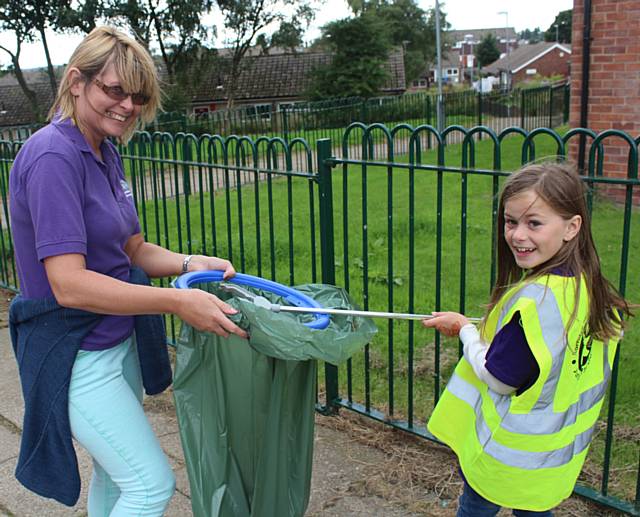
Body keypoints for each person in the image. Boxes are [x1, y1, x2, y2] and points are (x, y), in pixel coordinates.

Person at [8, 26, 247, 515]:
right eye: (114, 90)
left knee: (118, 481)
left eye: (137, 96)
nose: (127, 105)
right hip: (76, 354)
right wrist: (179, 301)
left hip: (118, 342)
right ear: (77, 82)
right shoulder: (54, 155)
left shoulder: (103, 147)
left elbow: (132, 248)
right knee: (150, 484)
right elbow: (68, 284)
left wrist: (188, 264)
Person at [422, 162, 632, 516]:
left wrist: (465, 331)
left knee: (475, 507)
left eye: (534, 223)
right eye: (510, 221)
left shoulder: (537, 302)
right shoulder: (588, 289)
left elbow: (499, 378)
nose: (518, 235)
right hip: (552, 459)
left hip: (505, 454)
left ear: (571, 227)